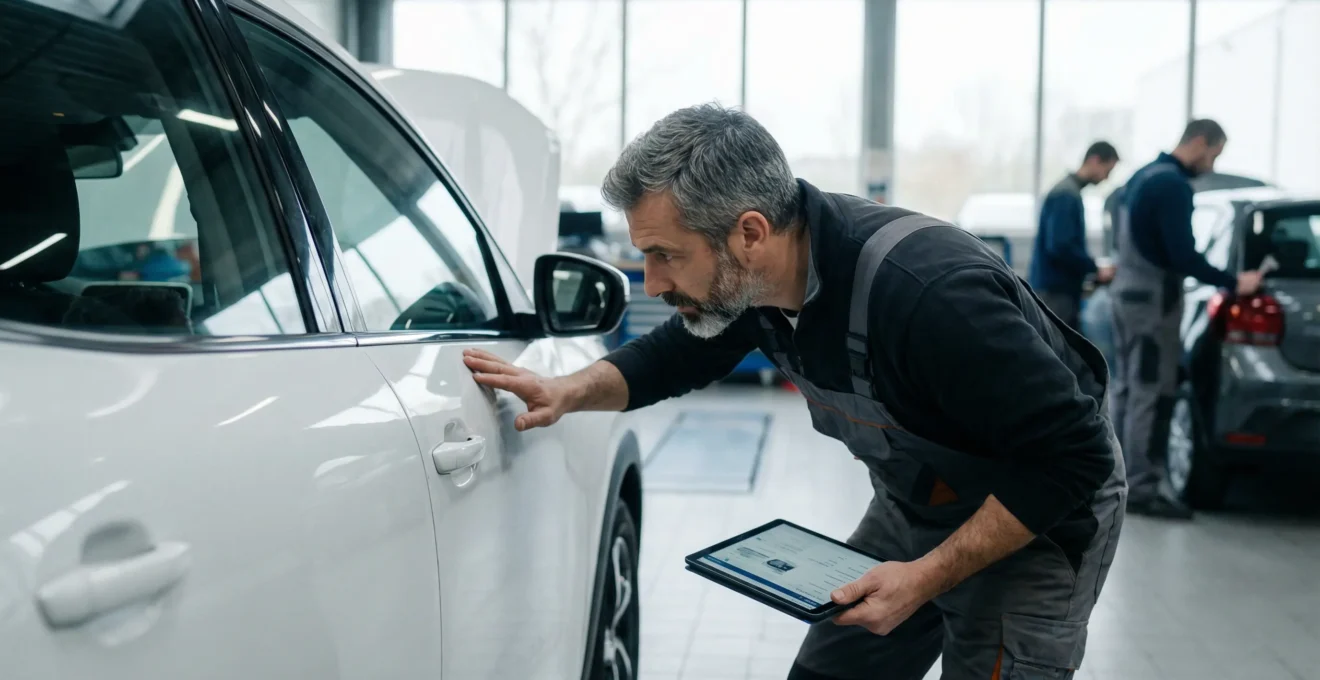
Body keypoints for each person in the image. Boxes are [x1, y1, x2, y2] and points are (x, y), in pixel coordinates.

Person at [464, 104, 1125, 680]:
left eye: (666, 254)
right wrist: (565, 391)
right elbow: (674, 355)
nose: (653, 282)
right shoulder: (756, 284)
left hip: (1039, 514)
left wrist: (923, 578)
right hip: (919, 504)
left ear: (750, 233)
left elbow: (1074, 456)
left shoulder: (929, 296)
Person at [1110, 119, 1262, 520]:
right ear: (1198, 142)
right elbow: (1183, 255)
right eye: (1214, 154)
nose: (1212, 165)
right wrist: (1234, 282)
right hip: (1153, 304)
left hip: (1126, 294)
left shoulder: (1141, 177)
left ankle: (1117, 478)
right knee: (1150, 392)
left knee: (1127, 390)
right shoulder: (1173, 185)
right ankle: (1142, 488)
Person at [1028, 141, 1120, 329]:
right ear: (1094, 160)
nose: (1106, 178)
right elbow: (1060, 246)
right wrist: (1094, 268)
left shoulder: (1069, 192)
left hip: (1056, 289)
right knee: (1056, 342)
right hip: (1055, 292)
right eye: (1107, 170)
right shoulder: (1066, 195)